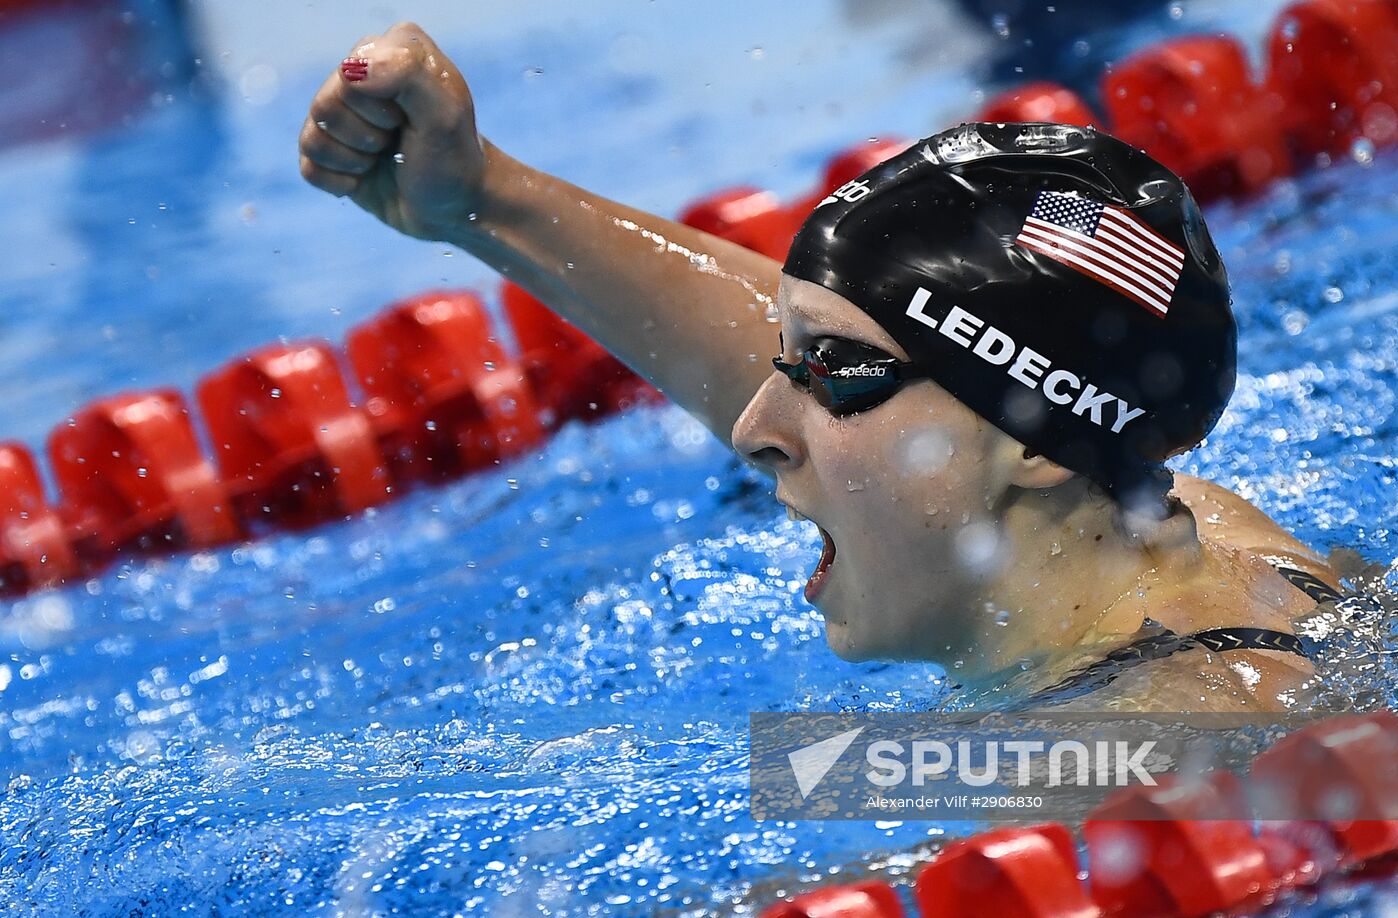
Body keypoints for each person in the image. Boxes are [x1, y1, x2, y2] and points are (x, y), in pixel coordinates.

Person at [299, 23, 1343, 712]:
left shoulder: (1143, 754)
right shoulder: (1171, 517)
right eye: (787, 361)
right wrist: (481, 199)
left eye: (831, 375)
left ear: (1028, 440)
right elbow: (924, 357)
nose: (752, 424)